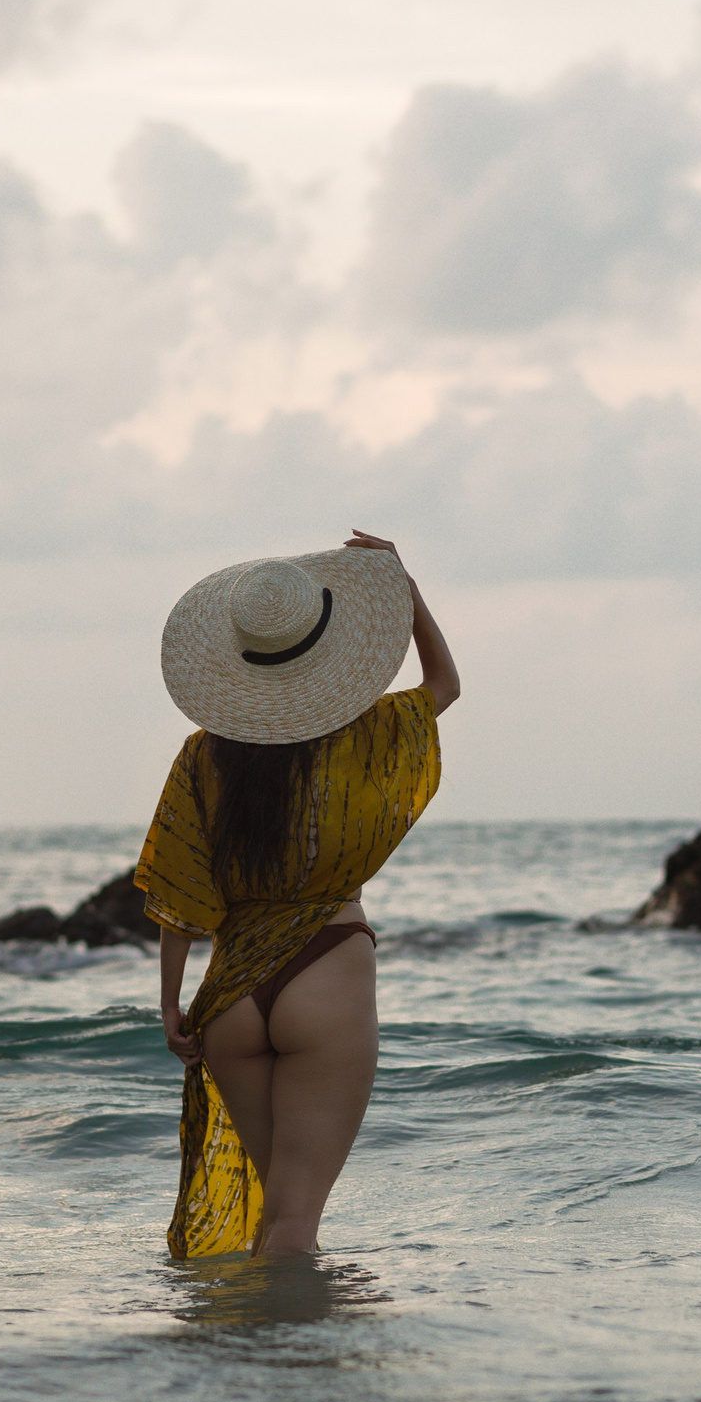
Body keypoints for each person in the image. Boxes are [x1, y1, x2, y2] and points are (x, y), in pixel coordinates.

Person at [136, 531, 461, 1259]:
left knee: (274, 1211)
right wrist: (405, 588)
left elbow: (179, 887)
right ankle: (301, 1366)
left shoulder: (204, 754)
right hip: (326, 965)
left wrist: (170, 1002)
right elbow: (444, 683)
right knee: (293, 1221)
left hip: (231, 996)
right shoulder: (369, 733)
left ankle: (258, 1364)